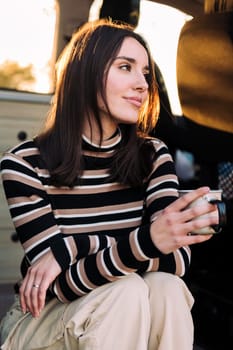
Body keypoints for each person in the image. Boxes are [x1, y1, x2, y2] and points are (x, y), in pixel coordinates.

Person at [0, 19, 219, 350]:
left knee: (166, 287)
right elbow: (58, 285)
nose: (143, 84)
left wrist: (73, 247)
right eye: (126, 67)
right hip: (43, 321)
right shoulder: (24, 163)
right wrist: (148, 241)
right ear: (85, 73)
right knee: (126, 289)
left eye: (145, 73)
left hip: (121, 317)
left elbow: (176, 260)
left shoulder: (153, 155)